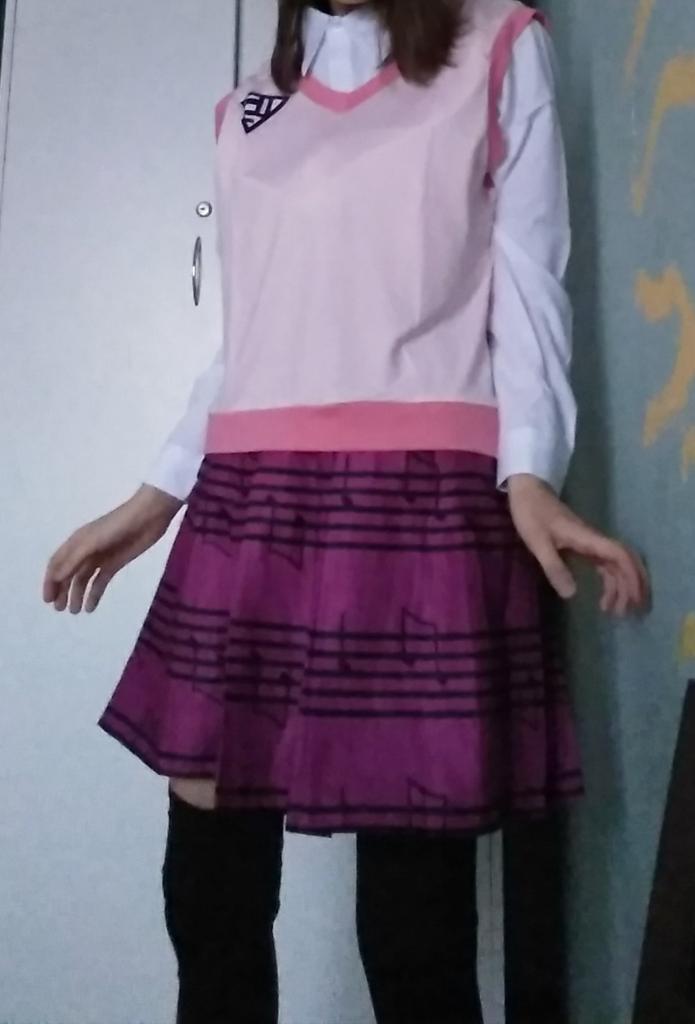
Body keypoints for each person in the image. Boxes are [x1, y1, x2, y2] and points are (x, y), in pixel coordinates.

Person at [43, 1, 650, 1021]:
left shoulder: (500, 46)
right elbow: (251, 334)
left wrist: (530, 471)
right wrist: (157, 493)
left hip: (419, 509)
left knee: (414, 939)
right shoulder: (247, 111)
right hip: (248, 505)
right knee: (209, 900)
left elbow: (530, 280)